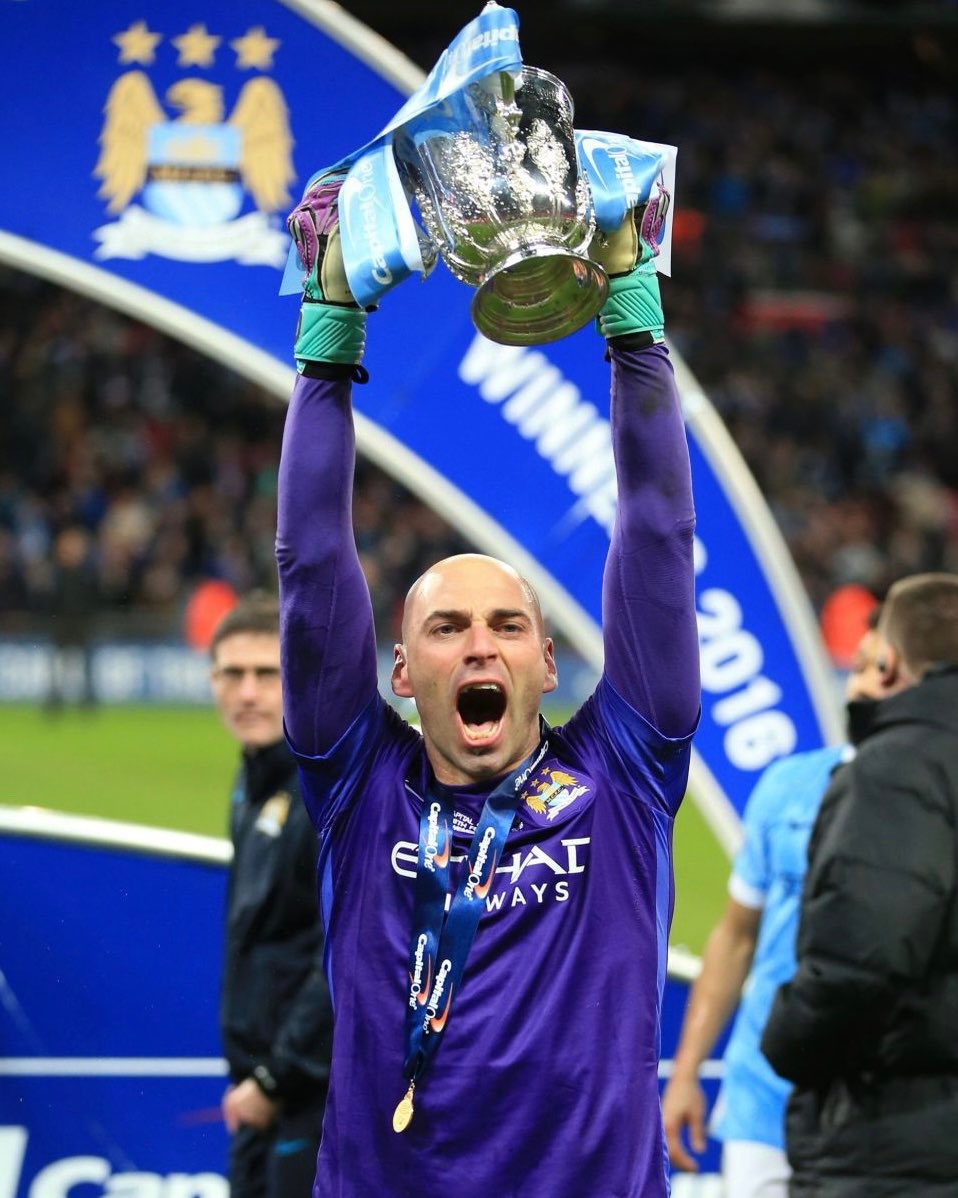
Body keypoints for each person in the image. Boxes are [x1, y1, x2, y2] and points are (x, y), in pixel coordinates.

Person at [274, 169, 700, 1198]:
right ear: (401, 672)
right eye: (447, 628)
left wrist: (632, 319)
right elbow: (311, 561)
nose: (479, 648)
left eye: (509, 626)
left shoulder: (625, 770)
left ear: (549, 661)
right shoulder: (357, 783)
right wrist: (328, 337)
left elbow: (656, 531)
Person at [662, 618, 884, 1197]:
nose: (859, 686)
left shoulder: (937, 800)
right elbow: (736, 937)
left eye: (878, 671)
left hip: (880, 1110)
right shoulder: (788, 785)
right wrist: (686, 1073)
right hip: (764, 1100)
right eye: (857, 668)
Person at [761, 573, 958, 1196]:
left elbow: (861, 960)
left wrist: (787, 1039)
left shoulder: (898, 766)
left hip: (897, 1141)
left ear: (890, 659)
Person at [210, 593, 332, 1198]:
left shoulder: (322, 792)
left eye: (267, 674)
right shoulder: (252, 779)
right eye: (233, 675)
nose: (248, 693)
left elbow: (343, 953)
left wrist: (276, 1077)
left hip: (311, 1100)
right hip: (265, 1092)